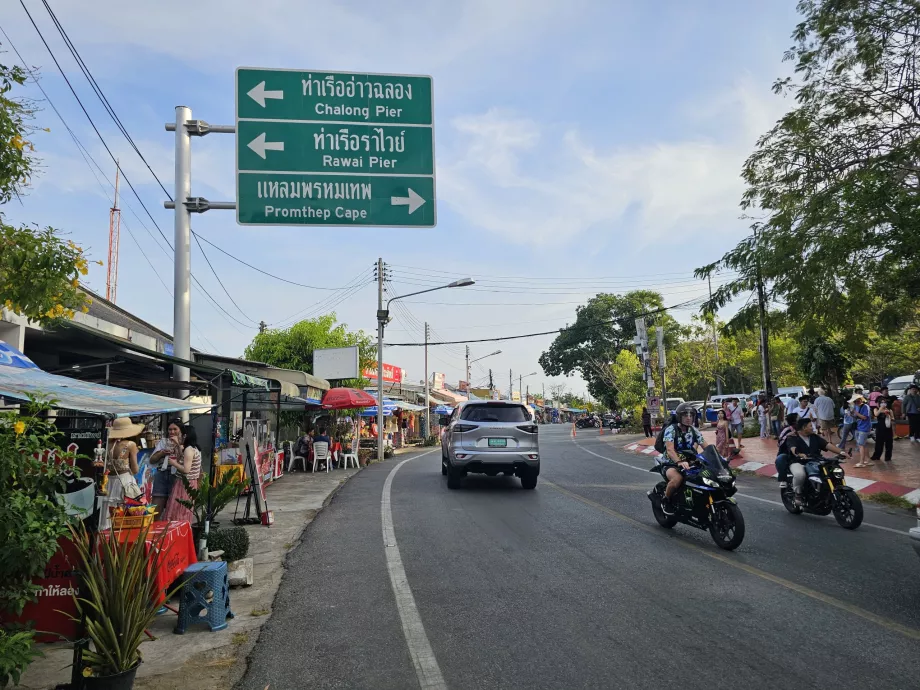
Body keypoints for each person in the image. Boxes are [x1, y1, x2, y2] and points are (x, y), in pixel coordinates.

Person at [658, 403, 706, 516]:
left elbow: (706, 446)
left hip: (690, 462)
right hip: (671, 463)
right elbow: (670, 450)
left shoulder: (694, 430)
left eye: (691, 415)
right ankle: (666, 500)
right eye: (685, 415)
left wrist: (718, 458)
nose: (689, 418)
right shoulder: (671, 429)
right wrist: (679, 462)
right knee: (677, 479)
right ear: (680, 416)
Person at [787, 418, 846, 507]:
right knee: (800, 474)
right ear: (804, 428)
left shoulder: (814, 437)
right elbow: (792, 449)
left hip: (815, 461)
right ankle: (797, 495)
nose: (813, 428)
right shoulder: (793, 437)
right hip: (798, 462)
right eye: (810, 426)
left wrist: (841, 452)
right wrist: (799, 454)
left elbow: (827, 445)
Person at [102, 417, 144, 525]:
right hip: (125, 481)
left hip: (109, 482)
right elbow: (135, 470)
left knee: (108, 514)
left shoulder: (107, 445)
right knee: (125, 516)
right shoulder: (130, 445)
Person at [162, 424, 202, 524]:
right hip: (189, 483)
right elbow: (182, 458)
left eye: (180, 434)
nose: (179, 436)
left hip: (185, 484)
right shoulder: (193, 448)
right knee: (182, 511)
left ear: (185, 436)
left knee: (178, 511)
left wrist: (173, 463)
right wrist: (178, 446)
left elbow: (186, 470)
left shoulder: (189, 450)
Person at [149, 419, 183, 517]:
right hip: (162, 473)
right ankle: (154, 528)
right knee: (157, 505)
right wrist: (162, 453)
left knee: (174, 507)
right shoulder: (164, 442)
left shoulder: (185, 441)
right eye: (169, 429)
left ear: (180, 430)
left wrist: (177, 445)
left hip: (176, 475)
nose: (172, 432)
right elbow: (152, 460)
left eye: (175, 429)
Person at [774, 412, 800, 486]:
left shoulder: (803, 430)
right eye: (799, 419)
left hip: (803, 454)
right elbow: (779, 443)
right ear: (794, 422)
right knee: (780, 458)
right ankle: (783, 479)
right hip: (788, 453)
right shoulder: (787, 430)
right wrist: (788, 436)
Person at [849, 393, 873, 468]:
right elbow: (857, 417)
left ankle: (861, 462)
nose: (856, 402)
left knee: (861, 445)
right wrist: (852, 414)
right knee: (863, 444)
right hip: (859, 427)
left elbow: (864, 417)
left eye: (857, 400)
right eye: (855, 401)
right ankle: (868, 460)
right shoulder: (857, 407)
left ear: (860, 400)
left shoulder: (865, 407)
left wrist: (856, 413)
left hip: (864, 428)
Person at [871, 398, 894, 462]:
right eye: (882, 402)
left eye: (884, 403)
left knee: (889, 443)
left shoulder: (889, 410)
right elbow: (876, 414)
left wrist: (888, 416)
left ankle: (888, 457)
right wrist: (881, 409)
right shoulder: (876, 409)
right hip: (880, 427)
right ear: (878, 403)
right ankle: (877, 456)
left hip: (888, 427)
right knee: (879, 443)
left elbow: (893, 418)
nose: (883, 404)